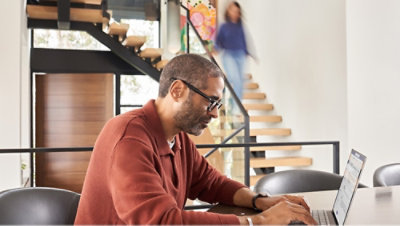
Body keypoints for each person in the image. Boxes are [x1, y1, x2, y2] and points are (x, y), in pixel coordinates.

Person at [74, 54, 316, 225]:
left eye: (218, 104)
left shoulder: (178, 138)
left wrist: (260, 201)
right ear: (177, 90)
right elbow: (161, 222)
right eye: (210, 102)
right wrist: (258, 223)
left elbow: (211, 183)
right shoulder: (129, 139)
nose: (214, 113)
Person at [215, 1, 254, 101]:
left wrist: (248, 52)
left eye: (237, 11)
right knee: (235, 79)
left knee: (240, 82)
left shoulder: (240, 27)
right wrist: (215, 49)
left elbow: (244, 40)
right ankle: (226, 98)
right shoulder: (224, 27)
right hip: (228, 54)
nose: (235, 13)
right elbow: (219, 41)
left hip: (240, 55)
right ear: (228, 12)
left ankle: (235, 106)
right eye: (233, 10)